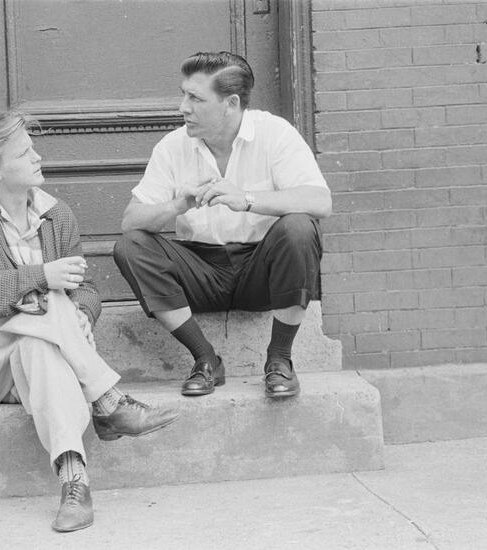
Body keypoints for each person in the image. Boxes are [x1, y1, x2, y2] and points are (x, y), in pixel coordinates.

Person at [0, 109, 179, 533]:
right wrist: (40, 277)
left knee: (40, 343)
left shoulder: (56, 215)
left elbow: (85, 288)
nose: (38, 157)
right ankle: (108, 402)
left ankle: (74, 484)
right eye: (24, 153)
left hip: (28, 362)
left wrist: (81, 314)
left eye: (34, 149)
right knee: (46, 300)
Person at [114, 51, 331, 399]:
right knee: (131, 246)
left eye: (195, 98)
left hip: (262, 272)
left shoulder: (274, 133)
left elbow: (320, 201)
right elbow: (130, 221)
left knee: (300, 227)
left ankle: (279, 359)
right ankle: (206, 359)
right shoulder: (173, 146)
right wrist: (177, 205)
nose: (183, 107)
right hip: (201, 271)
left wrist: (247, 199)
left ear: (230, 103)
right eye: (184, 95)